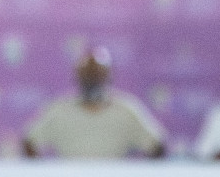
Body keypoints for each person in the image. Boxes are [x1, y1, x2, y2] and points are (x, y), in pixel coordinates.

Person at [22, 49, 165, 159]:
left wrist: (141, 176)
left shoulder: (126, 109)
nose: (92, 79)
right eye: (87, 74)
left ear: (109, 75)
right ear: (77, 76)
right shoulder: (59, 109)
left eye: (98, 74)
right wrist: (43, 174)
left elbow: (157, 145)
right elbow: (29, 142)